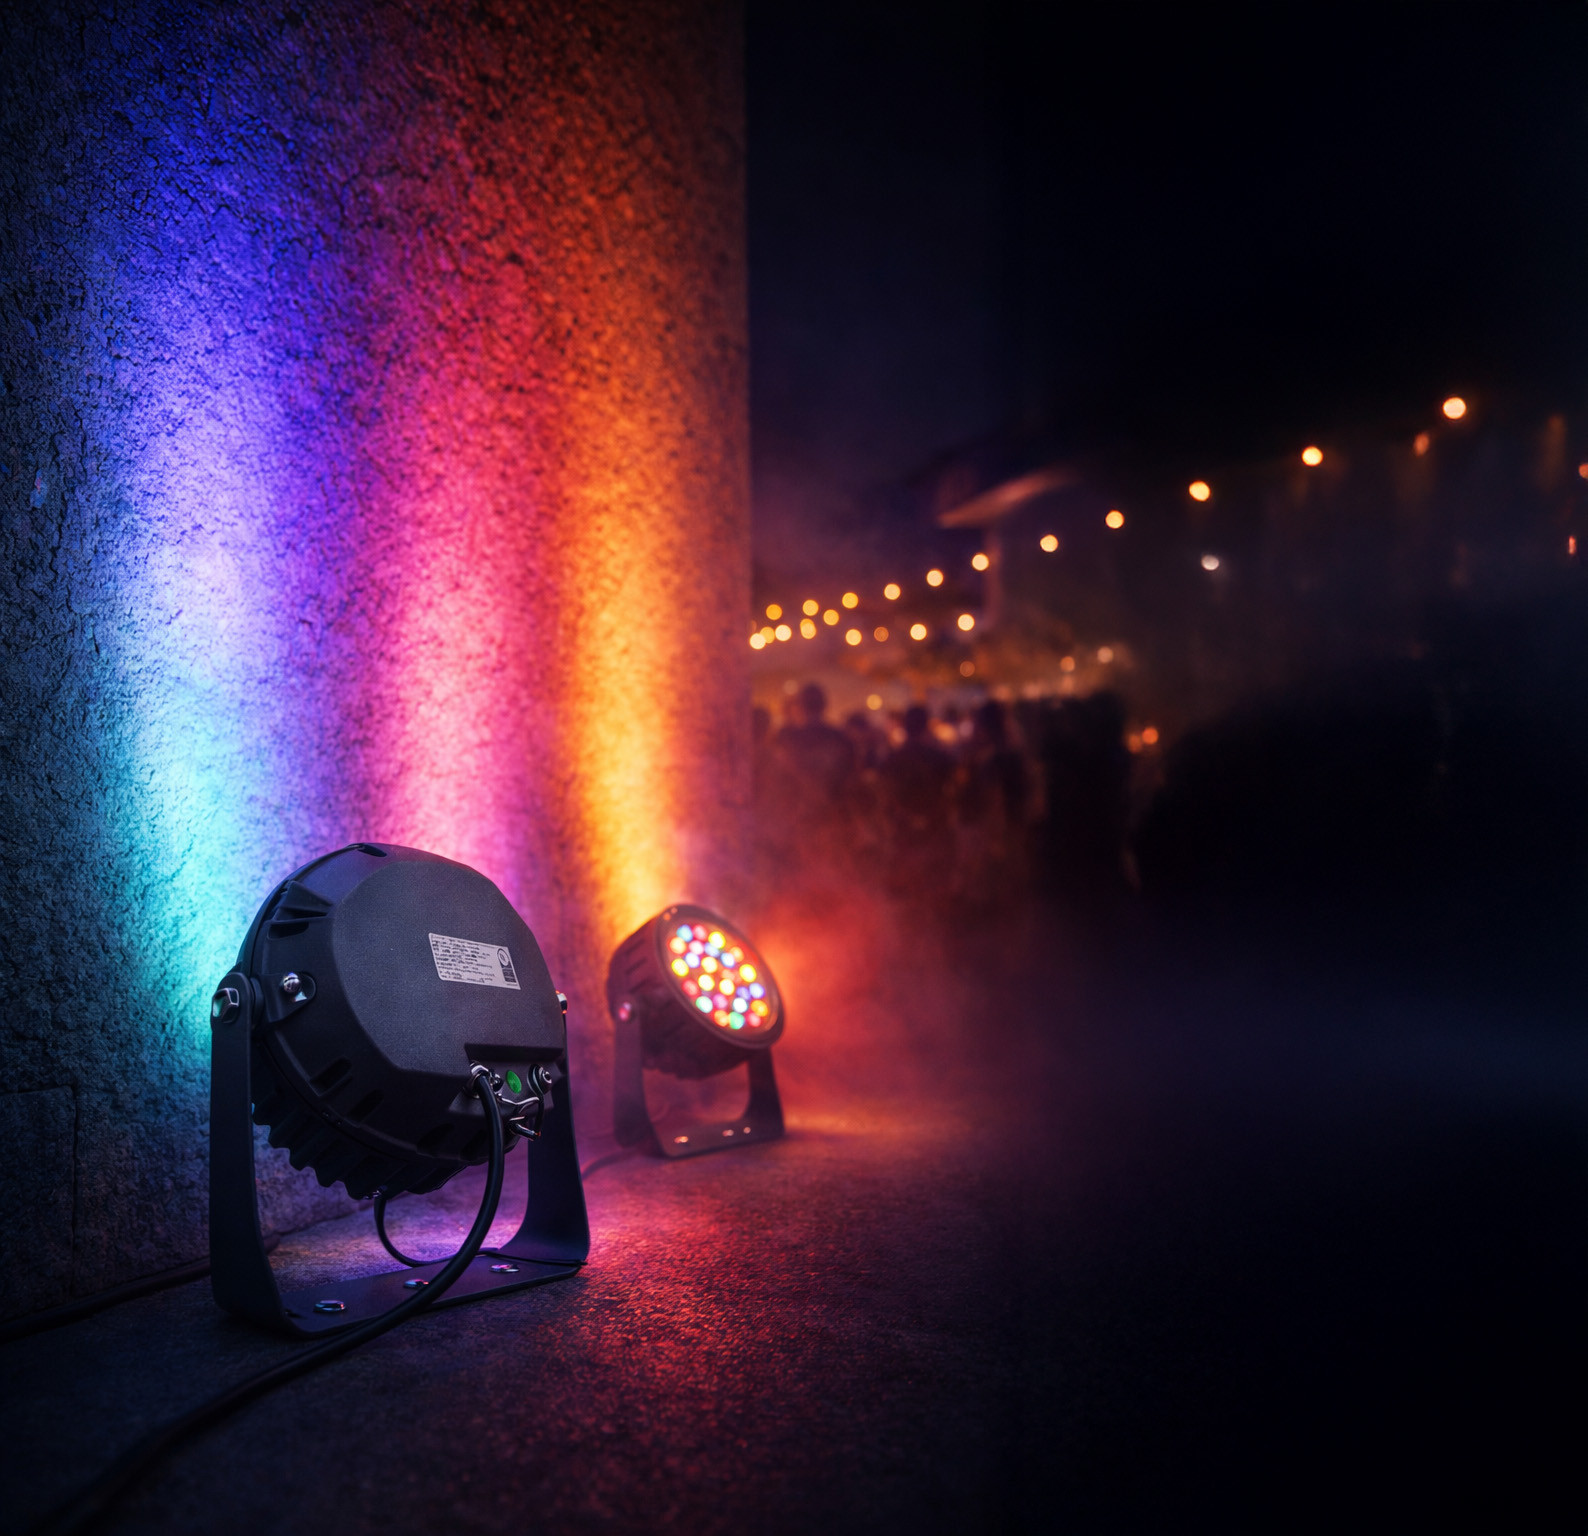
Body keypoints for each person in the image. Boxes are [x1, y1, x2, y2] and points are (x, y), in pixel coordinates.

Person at [878, 703, 957, 892]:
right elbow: (951, 792)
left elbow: (885, 795)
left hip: (903, 828)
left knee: (905, 885)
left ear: (905, 727)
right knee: (935, 884)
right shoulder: (941, 758)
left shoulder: (892, 759)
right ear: (926, 727)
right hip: (935, 827)